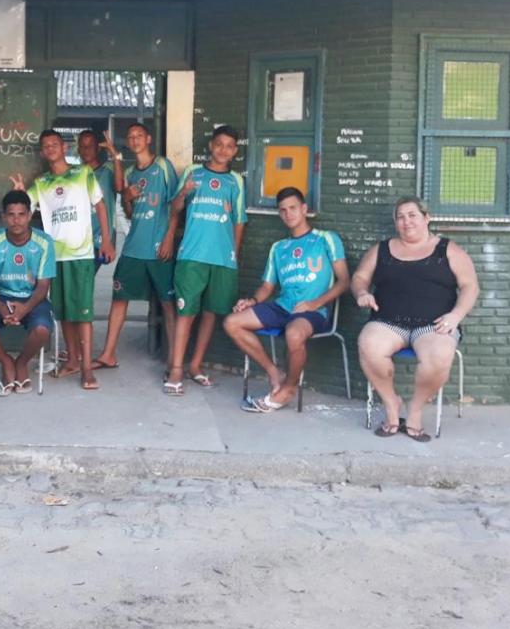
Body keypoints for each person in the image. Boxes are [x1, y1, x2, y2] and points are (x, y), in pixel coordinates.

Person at [351, 196, 479, 442]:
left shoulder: (447, 250)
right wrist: (362, 293)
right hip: (388, 322)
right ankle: (391, 404)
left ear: (426, 218)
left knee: (440, 354)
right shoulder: (381, 250)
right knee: (368, 345)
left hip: (433, 324)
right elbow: (359, 278)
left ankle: (416, 410)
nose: (406, 221)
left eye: (412, 215)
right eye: (400, 217)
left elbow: (470, 286)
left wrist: (456, 315)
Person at [225, 187, 350, 412]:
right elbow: (267, 286)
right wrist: (252, 301)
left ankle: (288, 389)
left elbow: (344, 281)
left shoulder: (326, 239)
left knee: (294, 334)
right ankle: (274, 373)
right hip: (282, 307)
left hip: (314, 311)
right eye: (283, 210)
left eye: (293, 208)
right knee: (232, 322)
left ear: (304, 209)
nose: (288, 214)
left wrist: (315, 303)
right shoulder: (278, 248)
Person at [10, 129, 116, 390]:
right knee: (65, 311)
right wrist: (21, 192)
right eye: (45, 145)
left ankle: (87, 369)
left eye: (54, 144)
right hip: (55, 257)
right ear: (43, 152)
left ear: (64, 147)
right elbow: (24, 205)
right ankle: (72, 360)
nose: (50, 148)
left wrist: (106, 240)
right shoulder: (42, 183)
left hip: (82, 254)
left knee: (83, 313)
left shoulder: (83, 173)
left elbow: (100, 205)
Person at [165, 125, 246, 395]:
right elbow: (175, 209)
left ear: (234, 151)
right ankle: (176, 369)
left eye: (229, 146)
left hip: (222, 258)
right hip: (192, 255)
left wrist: (234, 254)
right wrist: (183, 193)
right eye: (219, 144)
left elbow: (238, 221)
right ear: (211, 146)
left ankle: (195, 365)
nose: (223, 150)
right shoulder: (193, 172)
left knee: (211, 312)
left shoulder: (235, 181)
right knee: (185, 312)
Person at [94, 122, 178, 370]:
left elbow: (176, 204)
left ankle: (174, 361)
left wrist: (169, 238)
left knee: (168, 303)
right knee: (120, 298)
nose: (135, 139)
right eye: (130, 137)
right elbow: (129, 213)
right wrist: (128, 199)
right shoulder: (130, 173)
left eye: (139, 135)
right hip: (133, 248)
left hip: (159, 248)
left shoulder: (162, 166)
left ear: (148, 139)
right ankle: (108, 354)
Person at [0, 190, 56, 396]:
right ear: (3, 217)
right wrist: (1, 308)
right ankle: (6, 362)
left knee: (43, 330)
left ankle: (22, 363)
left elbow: (43, 287)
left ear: (29, 216)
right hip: (0, 297)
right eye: (11, 215)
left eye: (21, 214)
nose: (16, 220)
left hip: (32, 298)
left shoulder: (44, 242)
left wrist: (24, 309)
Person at [77, 129, 125, 269]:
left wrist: (114, 154)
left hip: (101, 240)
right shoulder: (74, 174)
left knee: (85, 277)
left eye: (90, 146)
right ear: (78, 150)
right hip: (79, 239)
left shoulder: (108, 170)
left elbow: (119, 187)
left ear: (98, 149)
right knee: (82, 279)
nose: (86, 149)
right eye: (82, 146)